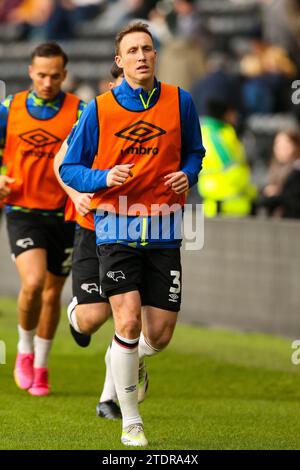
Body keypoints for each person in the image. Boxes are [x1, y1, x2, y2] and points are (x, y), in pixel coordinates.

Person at [59, 22, 205, 447]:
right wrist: (105, 176)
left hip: (163, 228)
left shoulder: (181, 101)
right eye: (133, 51)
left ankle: (125, 359)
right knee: (125, 320)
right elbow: (70, 169)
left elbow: (195, 152)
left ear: (155, 55)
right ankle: (131, 420)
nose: (142, 56)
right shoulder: (100, 110)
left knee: (157, 335)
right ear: (119, 61)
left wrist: (187, 175)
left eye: (148, 48)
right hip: (115, 227)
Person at [0, 42, 84, 396]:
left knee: (52, 296)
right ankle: (23, 349)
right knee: (33, 284)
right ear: (30, 72)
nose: (47, 82)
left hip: (63, 215)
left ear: (64, 75)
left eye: (54, 76)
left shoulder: (80, 112)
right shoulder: (9, 108)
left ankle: (42, 364)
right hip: (23, 210)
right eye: (41, 75)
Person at [54, 63, 124, 420]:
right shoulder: (93, 115)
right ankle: (75, 315)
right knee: (94, 316)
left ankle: (109, 399)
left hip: (135, 228)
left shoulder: (160, 117)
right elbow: (60, 161)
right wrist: (75, 194)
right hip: (92, 224)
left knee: (129, 315)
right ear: (110, 84)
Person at [197, 98, 257, 217]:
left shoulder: (202, 132)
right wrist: (254, 192)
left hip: (212, 205)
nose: (235, 117)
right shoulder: (220, 134)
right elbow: (232, 168)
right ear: (225, 113)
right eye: (233, 112)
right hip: (230, 206)